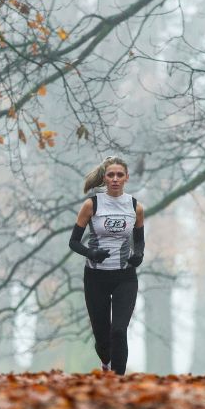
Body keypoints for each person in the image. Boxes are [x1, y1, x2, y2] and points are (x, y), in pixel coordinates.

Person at [68, 156, 145, 375]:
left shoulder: (135, 207)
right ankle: (105, 363)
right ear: (104, 178)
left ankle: (118, 382)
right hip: (96, 277)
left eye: (120, 175)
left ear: (126, 178)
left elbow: (139, 241)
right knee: (103, 339)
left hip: (125, 277)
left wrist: (138, 255)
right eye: (111, 175)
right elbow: (73, 242)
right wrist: (91, 252)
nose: (115, 179)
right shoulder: (91, 204)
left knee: (119, 331)